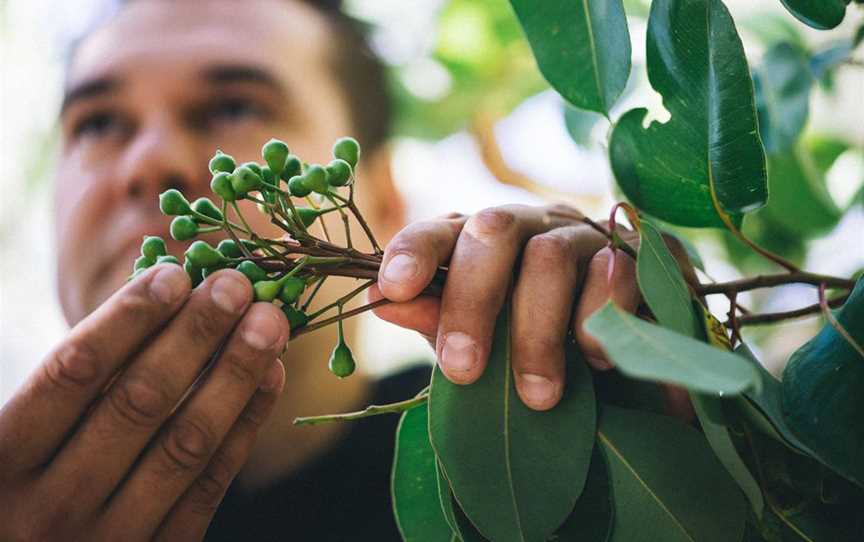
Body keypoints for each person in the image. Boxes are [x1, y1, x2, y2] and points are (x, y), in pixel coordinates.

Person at [0, 0, 683, 540]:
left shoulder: (507, 467)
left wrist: (647, 415)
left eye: (233, 106)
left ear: (383, 200)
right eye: (97, 123)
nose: (150, 161)